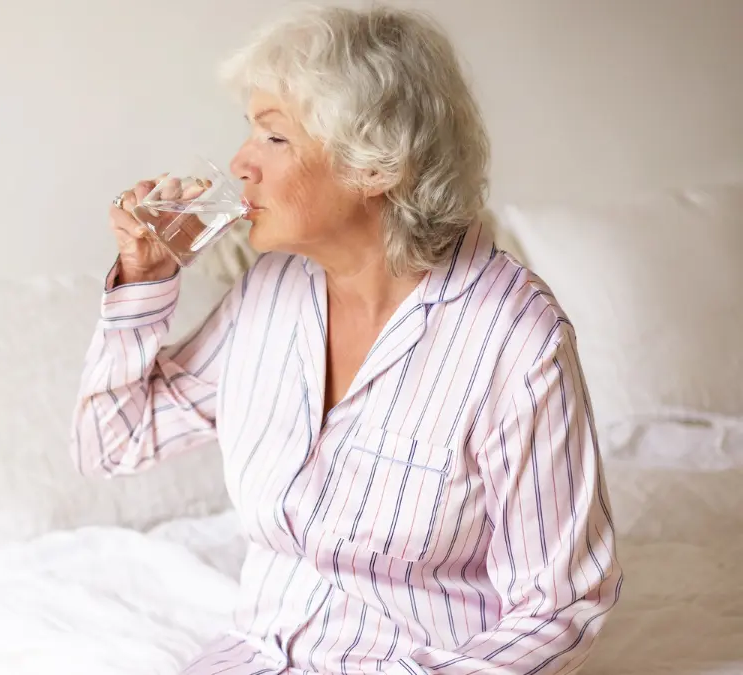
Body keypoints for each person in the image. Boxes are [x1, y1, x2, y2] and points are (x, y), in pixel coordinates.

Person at [70, 4, 622, 674]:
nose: (241, 162)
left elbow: (560, 604)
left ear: (377, 165)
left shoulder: (513, 339)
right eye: (248, 131)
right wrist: (145, 279)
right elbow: (113, 441)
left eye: (274, 138)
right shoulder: (271, 293)